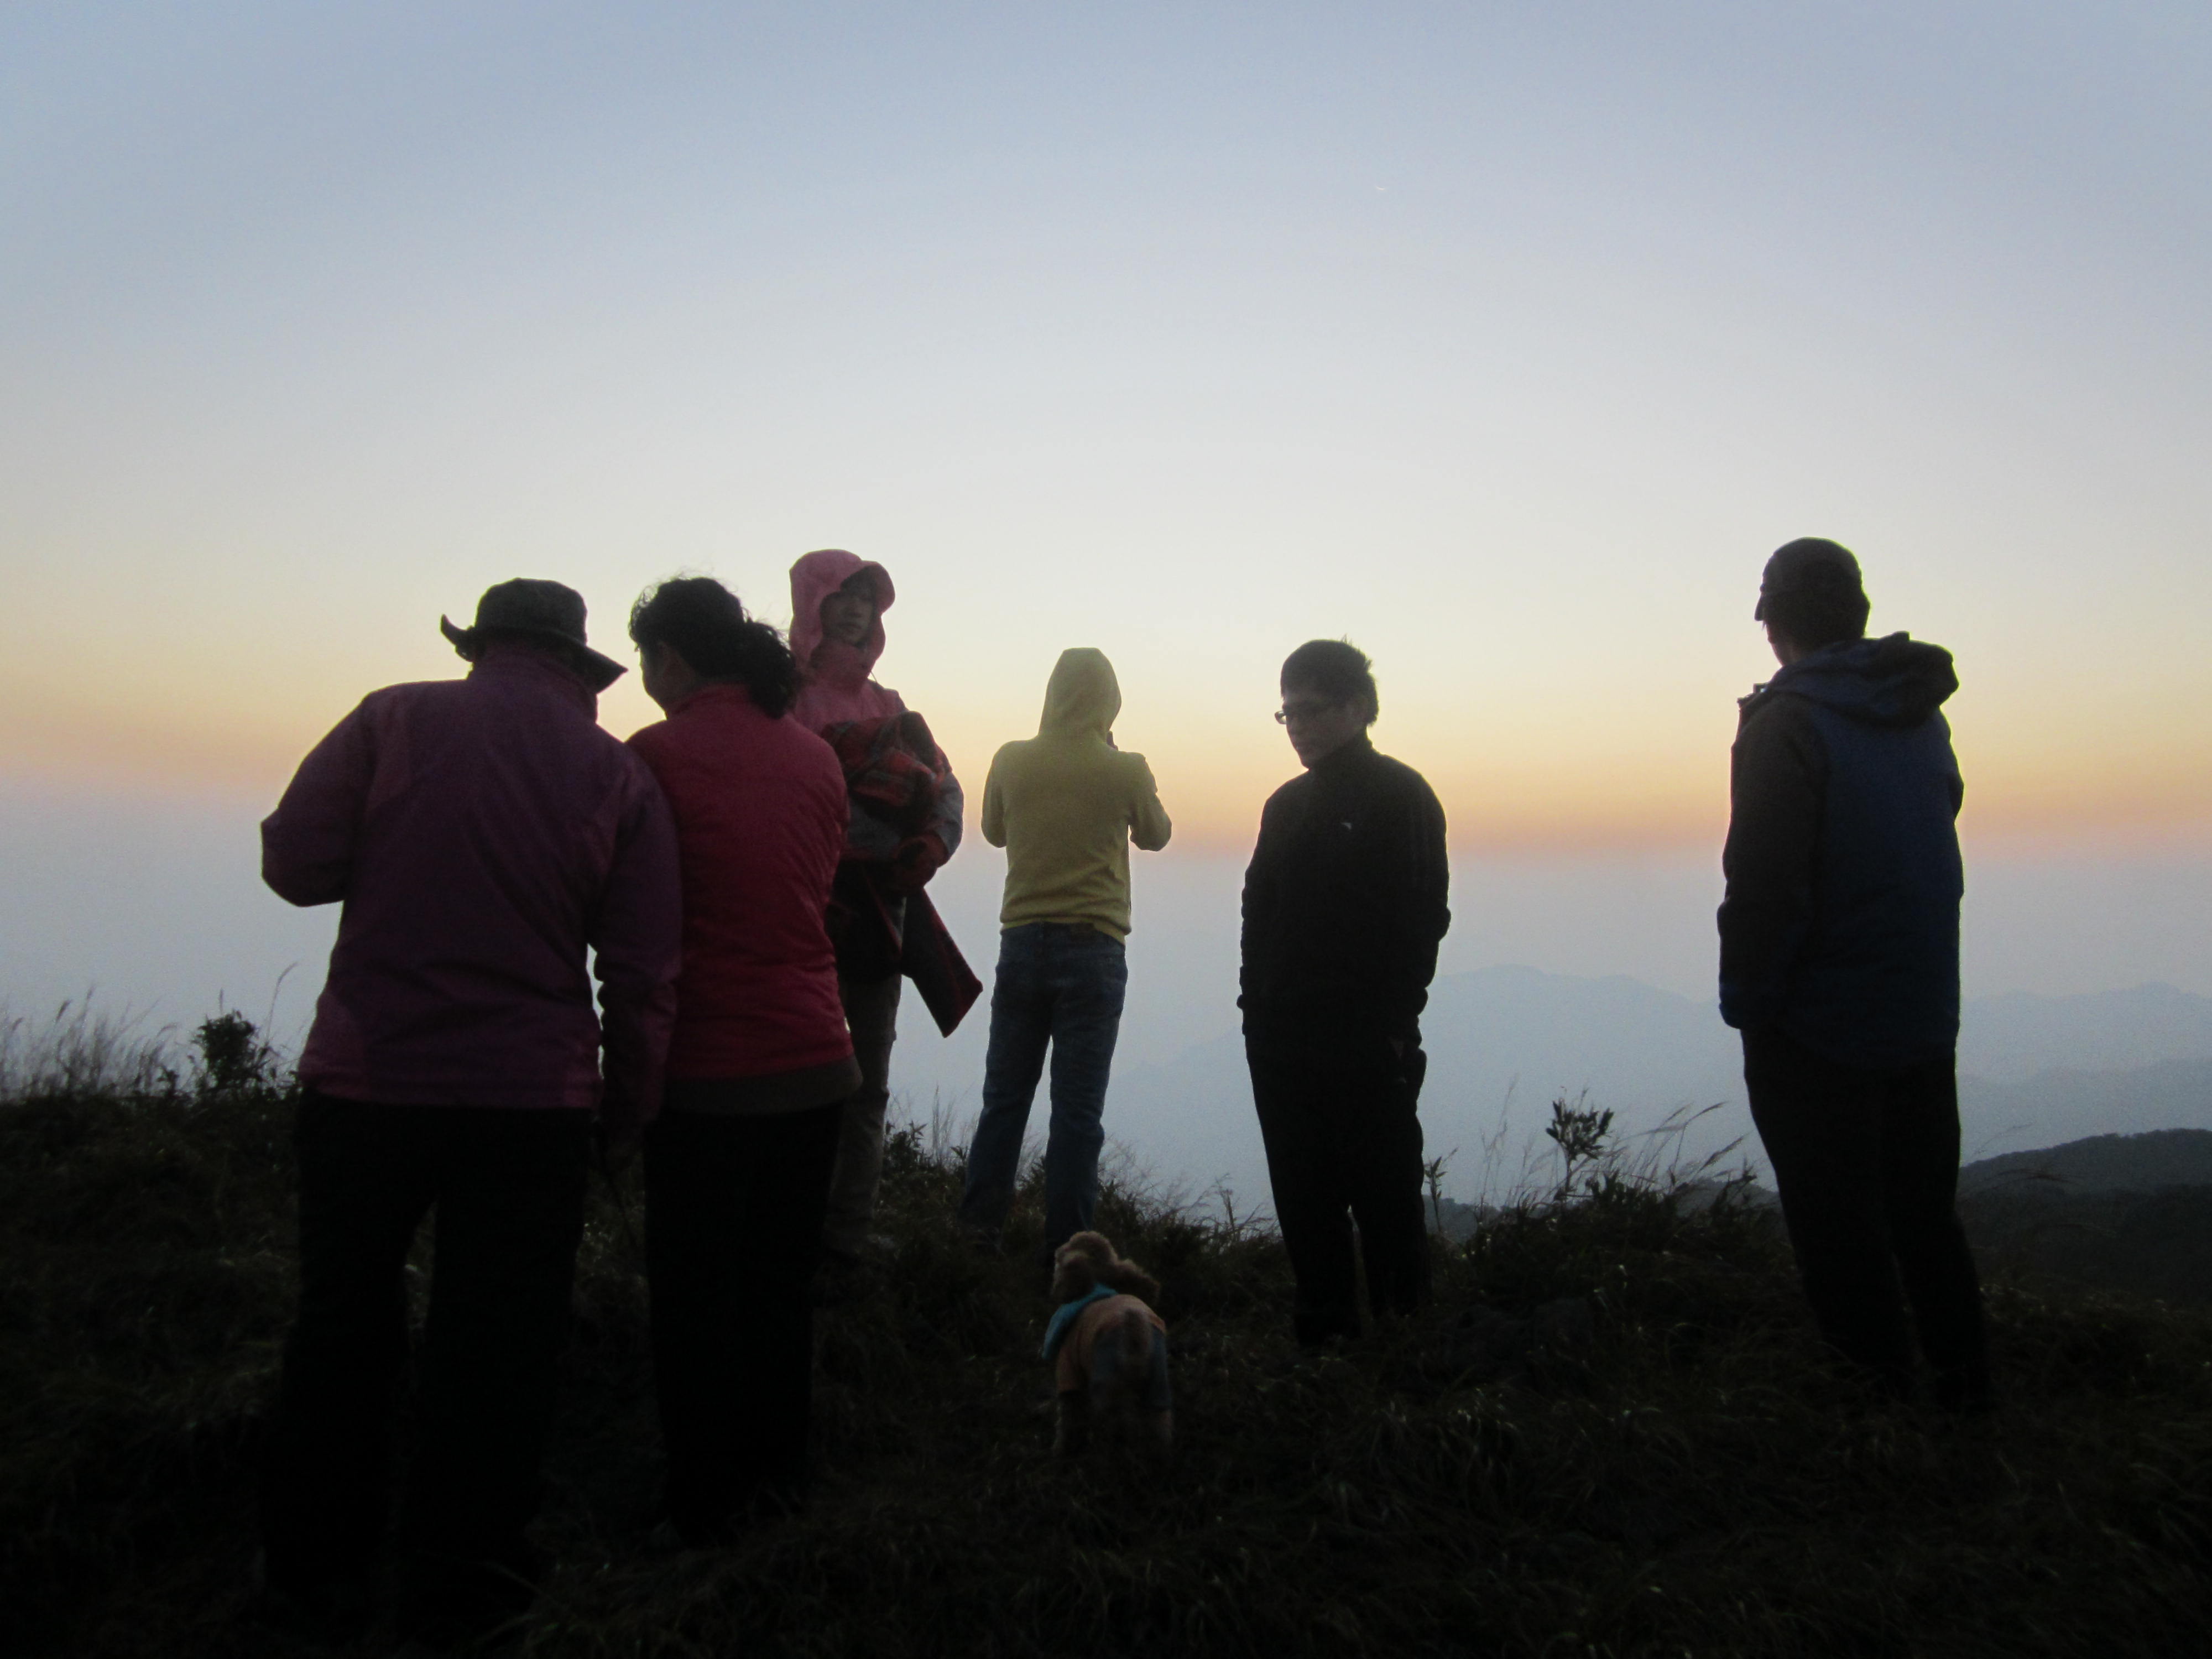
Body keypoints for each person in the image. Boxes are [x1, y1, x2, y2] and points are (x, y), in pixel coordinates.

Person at [256, 580, 680, 1648]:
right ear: (579, 670)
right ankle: (464, 1583)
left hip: (366, 1084)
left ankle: (316, 1569)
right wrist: (626, 1114)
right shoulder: (616, 774)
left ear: (479, 648)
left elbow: (294, 862)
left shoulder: (392, 718)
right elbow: (640, 974)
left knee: (341, 1322)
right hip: (529, 1106)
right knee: (496, 1345)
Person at [1718, 538, 1990, 1411]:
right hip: (1921, 1008)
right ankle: (1965, 1397)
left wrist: (1751, 1006)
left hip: (1820, 1026)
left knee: (1838, 1231)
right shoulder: (1918, 710)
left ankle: (1876, 1415)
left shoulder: (1789, 724)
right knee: (1923, 1217)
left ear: (1774, 626)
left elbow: (1765, 886)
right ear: (1860, 613)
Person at [624, 576, 857, 1539]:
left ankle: (700, 1503)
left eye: (647, 658)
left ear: (672, 659)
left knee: (693, 1295)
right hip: (816, 1064)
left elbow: (631, 922)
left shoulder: (652, 757)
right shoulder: (813, 759)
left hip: (708, 1075)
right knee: (777, 1289)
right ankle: (780, 1484)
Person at [1240, 640, 1449, 1347]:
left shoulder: (1402, 795)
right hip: (1282, 1038)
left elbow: (1423, 915)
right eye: (1286, 712)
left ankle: (1402, 1339)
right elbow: (1257, 909)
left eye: (1311, 709)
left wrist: (1394, 1022)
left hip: (1366, 1039)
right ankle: (1325, 1343)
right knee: (1304, 1199)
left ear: (1358, 708)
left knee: (1385, 1191)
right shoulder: (1286, 805)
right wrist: (1254, 1011)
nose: (1296, 725)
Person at [787, 548, 972, 1266]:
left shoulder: (891, 707)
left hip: (878, 914)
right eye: (844, 593)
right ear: (812, 603)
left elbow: (945, 789)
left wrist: (932, 842)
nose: (859, 608)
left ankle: (847, 1236)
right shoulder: (783, 699)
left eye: (869, 596)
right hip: (799, 911)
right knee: (800, 1078)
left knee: (866, 1081)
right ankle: (795, 1231)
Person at [957, 649, 1172, 1256]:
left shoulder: (1010, 758)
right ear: (1110, 701)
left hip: (1021, 944)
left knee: (1004, 1098)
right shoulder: (1125, 767)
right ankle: (1069, 1252)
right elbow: (1157, 835)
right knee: (1077, 1114)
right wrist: (1112, 755)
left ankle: (977, 1236)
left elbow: (996, 831)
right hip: (1094, 950)